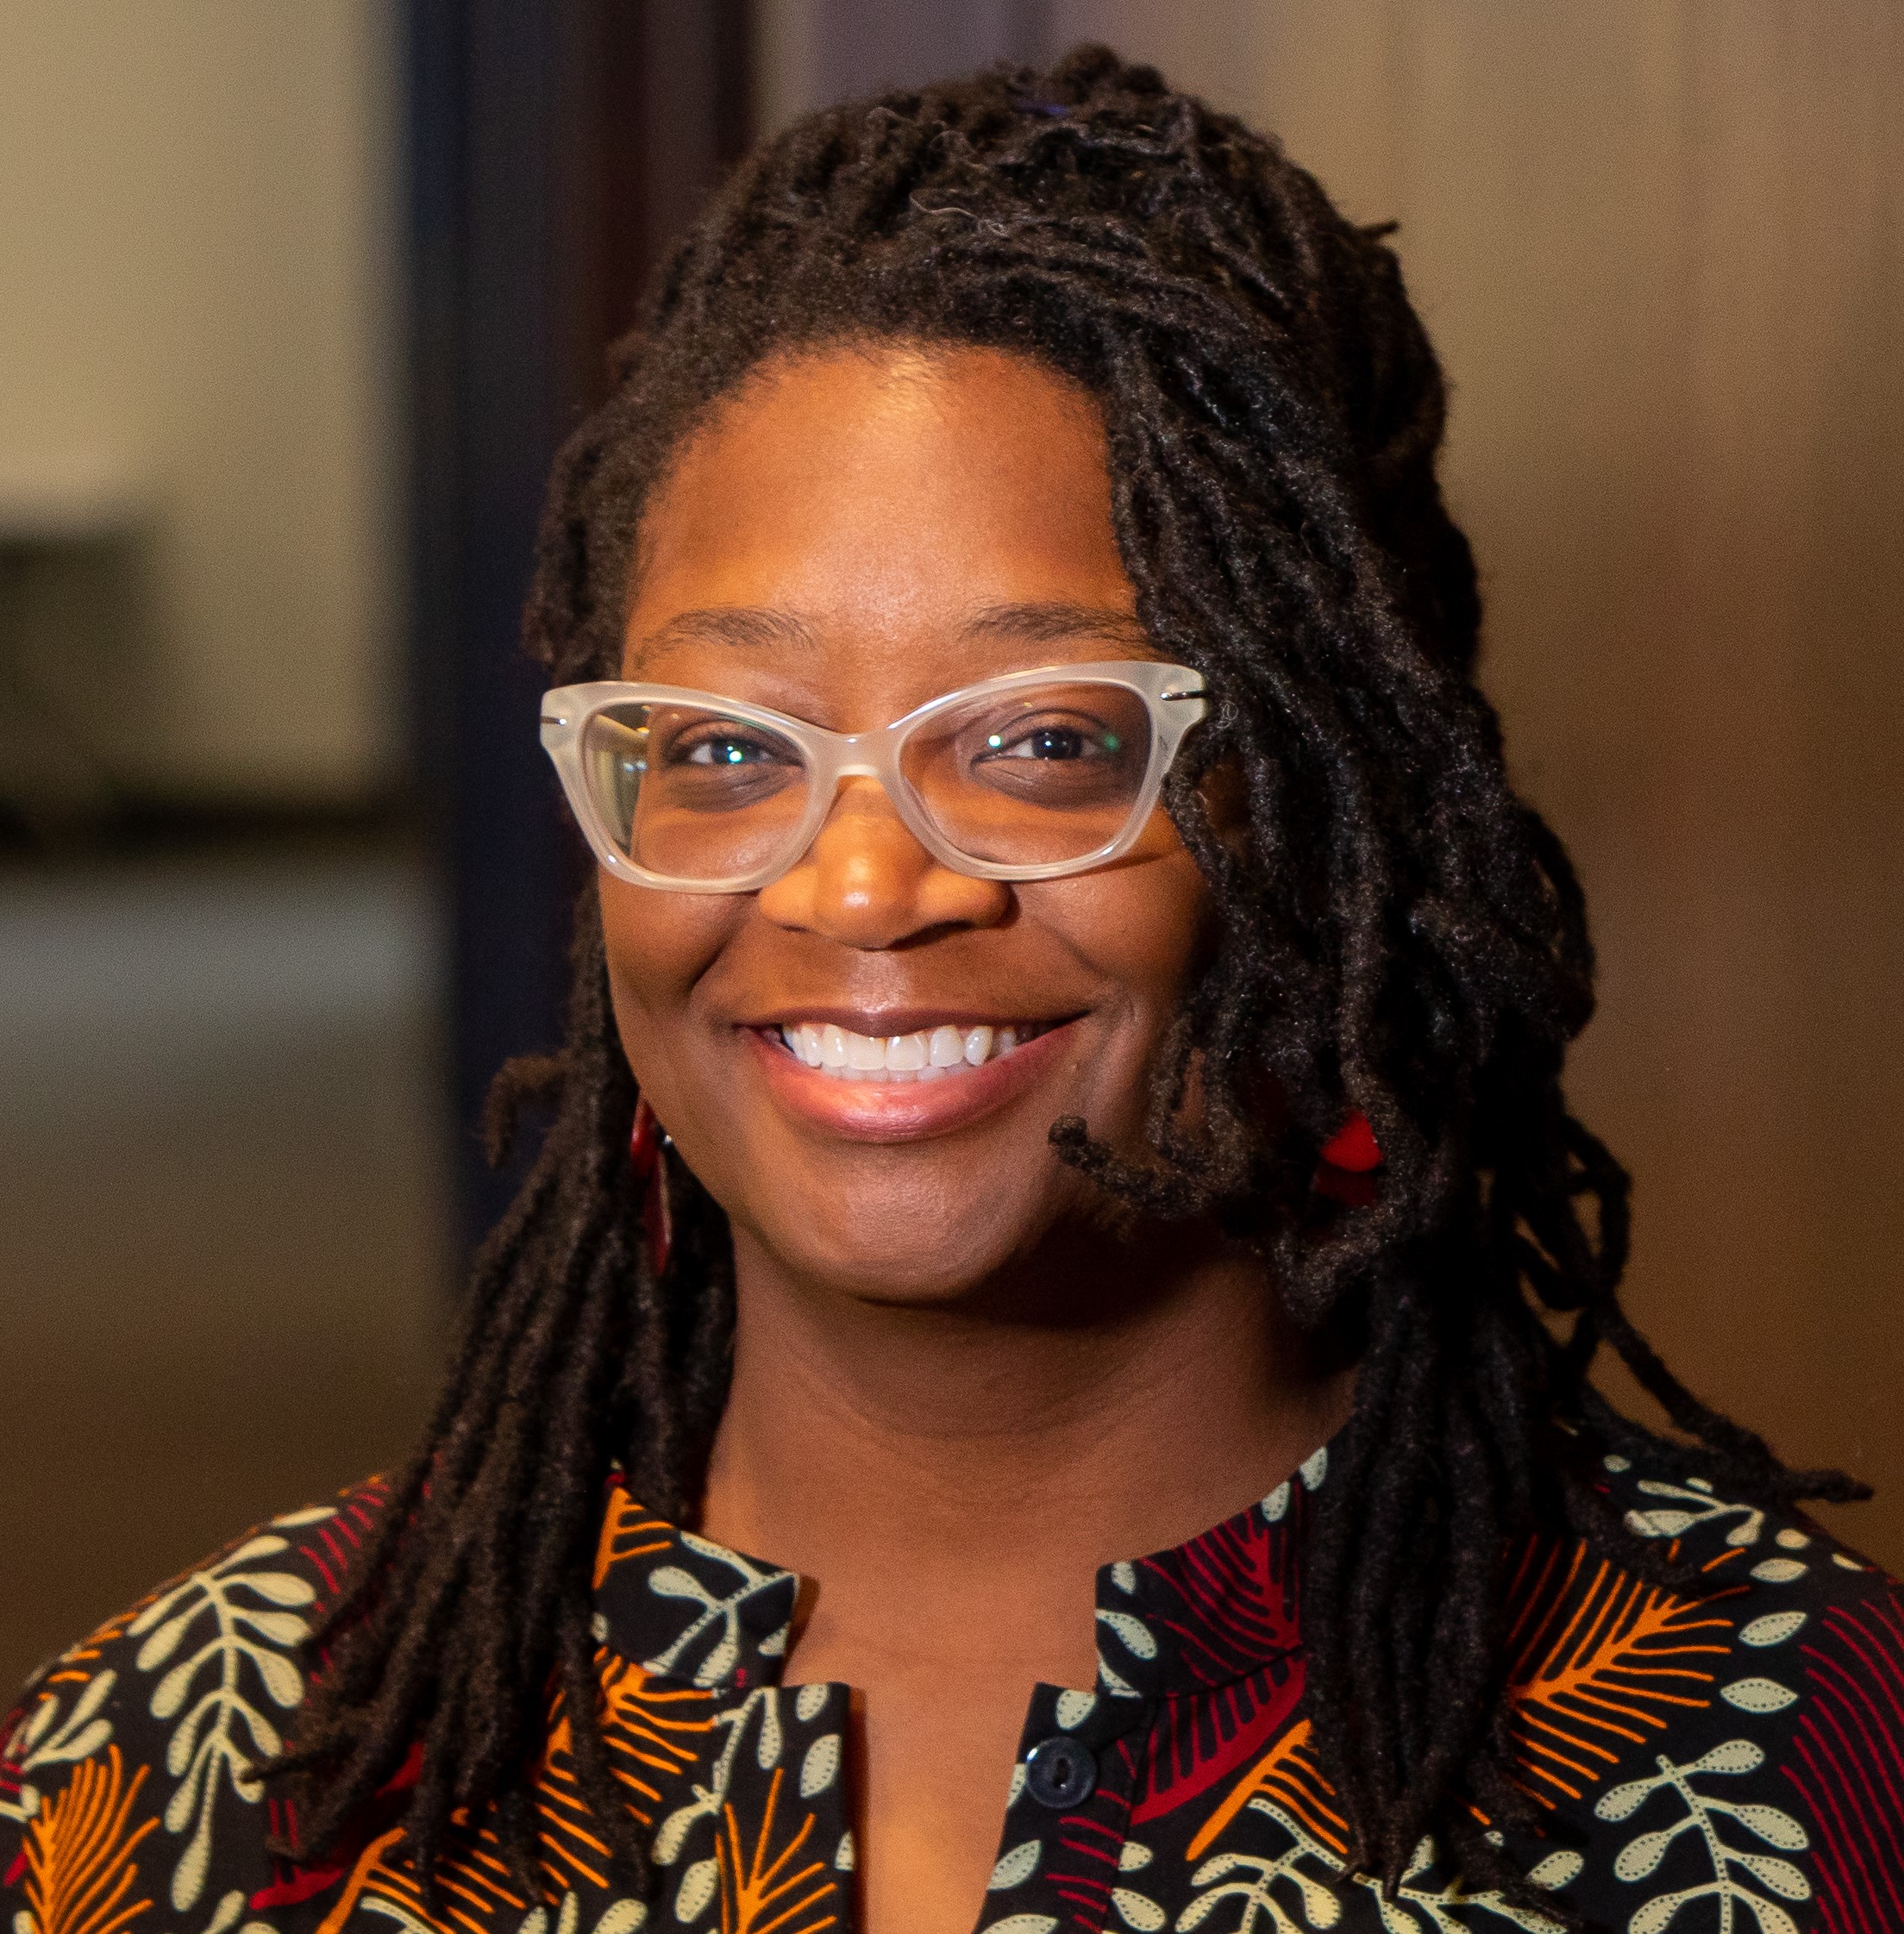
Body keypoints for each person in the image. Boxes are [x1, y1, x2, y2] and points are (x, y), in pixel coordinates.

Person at [5, 45, 1899, 1934]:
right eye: (729, 752)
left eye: (1049, 739)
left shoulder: (1808, 1778)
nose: (859, 886)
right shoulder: (196, 1762)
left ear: (1340, 809)